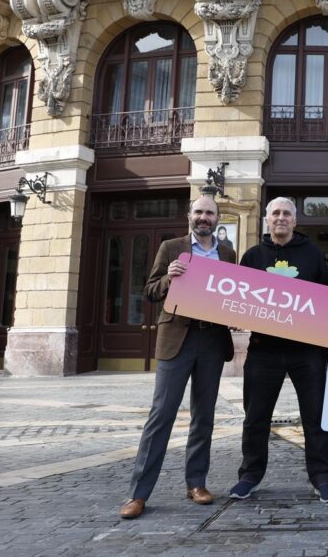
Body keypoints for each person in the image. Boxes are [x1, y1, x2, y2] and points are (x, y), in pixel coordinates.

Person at [119, 195, 236, 520]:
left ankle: (196, 482)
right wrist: (169, 278)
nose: (203, 217)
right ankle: (138, 494)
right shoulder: (171, 248)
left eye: (209, 213)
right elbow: (150, 290)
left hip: (212, 340)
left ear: (217, 218)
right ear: (189, 216)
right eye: (198, 211)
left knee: (204, 417)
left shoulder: (227, 253)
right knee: (161, 416)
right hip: (177, 340)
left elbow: (233, 296)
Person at [230, 197, 328, 503]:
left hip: (307, 352)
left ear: (295, 220)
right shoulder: (252, 257)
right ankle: (250, 475)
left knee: (316, 417)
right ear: (266, 219)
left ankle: (323, 478)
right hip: (264, 350)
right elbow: (239, 302)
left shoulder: (313, 255)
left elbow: (327, 299)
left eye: (287, 214)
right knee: (255, 417)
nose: (281, 218)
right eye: (275, 213)